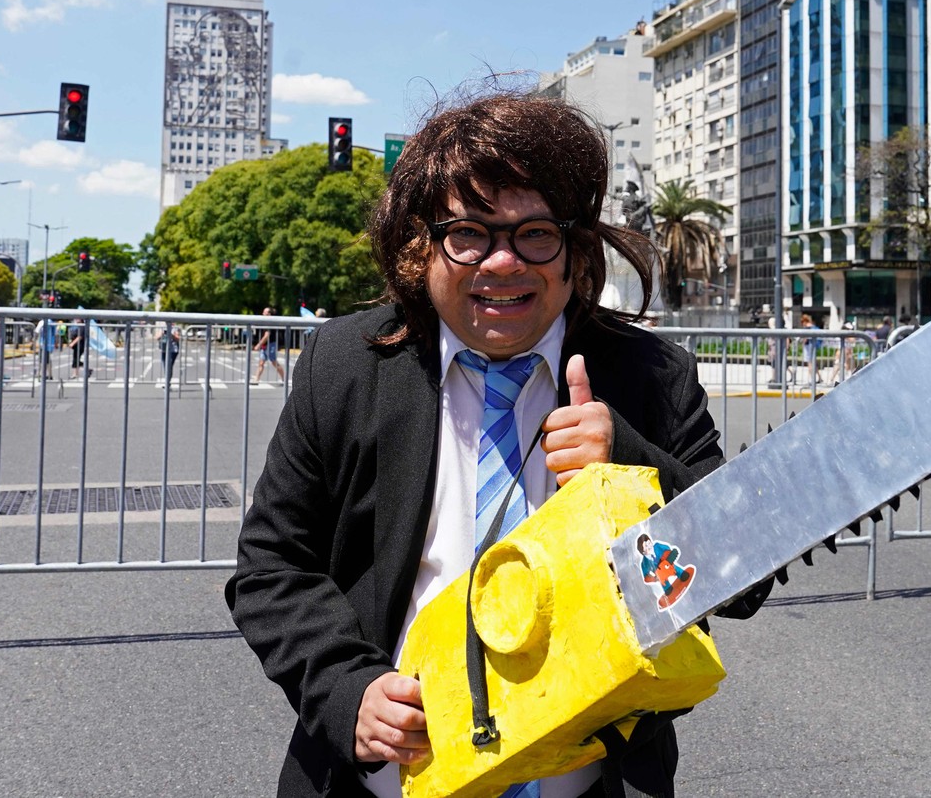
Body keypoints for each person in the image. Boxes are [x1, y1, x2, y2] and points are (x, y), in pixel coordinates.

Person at [227, 92, 768, 798]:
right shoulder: (347, 365)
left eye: (534, 232)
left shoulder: (651, 376)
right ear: (423, 247)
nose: (503, 261)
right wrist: (343, 685)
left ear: (575, 249)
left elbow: (744, 583)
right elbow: (271, 563)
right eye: (470, 232)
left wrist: (631, 467)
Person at [253, 306, 285, 384]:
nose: (263, 313)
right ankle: (256, 380)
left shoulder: (270, 322)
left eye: (265, 312)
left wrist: (258, 345)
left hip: (271, 345)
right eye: (263, 312)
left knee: (274, 362)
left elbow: (266, 336)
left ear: (269, 314)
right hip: (265, 345)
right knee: (261, 362)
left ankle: (284, 379)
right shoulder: (265, 322)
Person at [158, 322, 180, 386]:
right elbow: (157, 337)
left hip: (173, 350)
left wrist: (171, 334)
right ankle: (167, 381)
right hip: (164, 349)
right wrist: (162, 334)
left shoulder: (175, 328)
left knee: (169, 365)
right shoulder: (162, 328)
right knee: (165, 366)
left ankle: (167, 381)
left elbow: (177, 338)